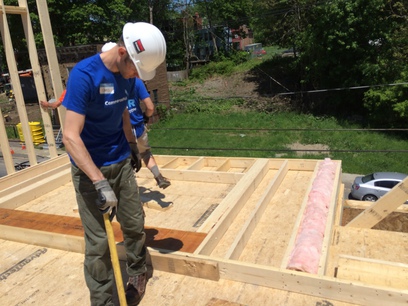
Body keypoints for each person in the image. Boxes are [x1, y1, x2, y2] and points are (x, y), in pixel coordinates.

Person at [61, 22, 166, 306]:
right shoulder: (85, 75)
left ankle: (137, 274)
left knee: (133, 224)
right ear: (122, 52)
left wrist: (132, 145)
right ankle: (103, 300)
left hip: (119, 162)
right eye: (135, 69)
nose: (136, 77)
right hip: (89, 170)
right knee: (98, 244)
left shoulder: (128, 76)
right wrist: (98, 181)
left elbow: (121, 113)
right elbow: (70, 136)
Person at [102, 41, 170, 189]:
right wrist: (146, 117)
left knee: (126, 163)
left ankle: (132, 196)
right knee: (145, 154)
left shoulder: (108, 84)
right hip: (139, 128)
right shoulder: (136, 82)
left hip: (122, 132)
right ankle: (158, 177)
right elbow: (150, 107)